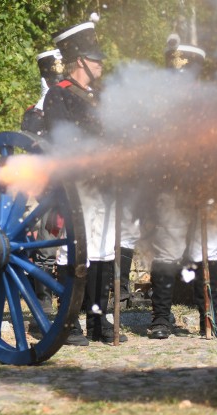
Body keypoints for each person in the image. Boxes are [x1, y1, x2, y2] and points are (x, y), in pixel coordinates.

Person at [44, 21, 127, 345]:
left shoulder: (101, 96)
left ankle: (97, 318)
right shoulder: (58, 95)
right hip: (76, 183)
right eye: (96, 60)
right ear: (80, 61)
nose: (101, 65)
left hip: (106, 182)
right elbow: (60, 139)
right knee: (77, 249)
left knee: (104, 249)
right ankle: (71, 320)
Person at [148, 39, 217, 339]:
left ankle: (207, 315)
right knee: (167, 250)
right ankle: (160, 317)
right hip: (172, 187)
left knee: (206, 250)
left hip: (207, 187)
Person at [22, 49, 64, 313]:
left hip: (75, 182)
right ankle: (44, 299)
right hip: (48, 186)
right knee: (47, 246)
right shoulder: (35, 112)